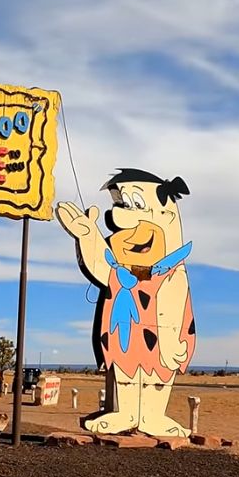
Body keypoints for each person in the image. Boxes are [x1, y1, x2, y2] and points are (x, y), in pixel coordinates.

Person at [57, 168, 195, 437]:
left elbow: (174, 296)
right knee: (124, 365)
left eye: (133, 206)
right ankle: (126, 412)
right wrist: (87, 236)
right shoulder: (121, 269)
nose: (117, 215)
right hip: (126, 328)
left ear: (165, 214)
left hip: (162, 331)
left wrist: (171, 340)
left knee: (161, 370)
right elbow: (101, 265)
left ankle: (154, 416)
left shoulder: (173, 271)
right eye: (120, 204)